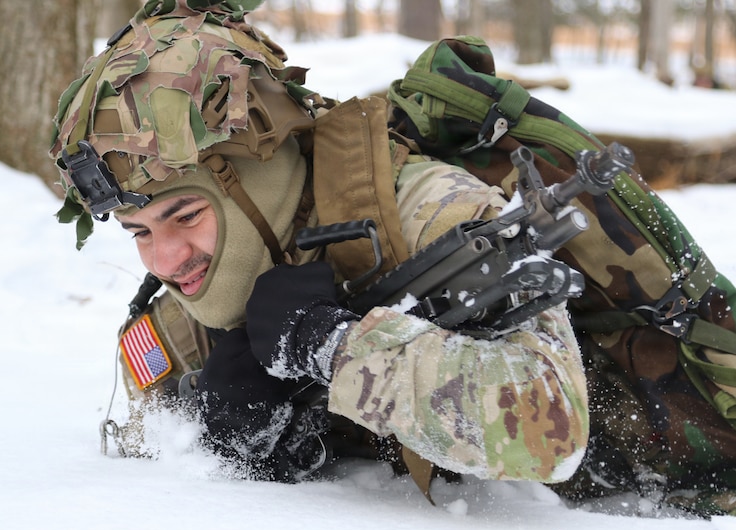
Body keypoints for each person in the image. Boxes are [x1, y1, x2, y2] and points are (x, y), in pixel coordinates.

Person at [49, 0, 588, 491]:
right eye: (140, 232)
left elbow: (553, 433)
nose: (166, 260)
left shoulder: (434, 216)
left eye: (187, 215)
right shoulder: (175, 324)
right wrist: (221, 434)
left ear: (262, 174)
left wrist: (333, 347)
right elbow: (144, 449)